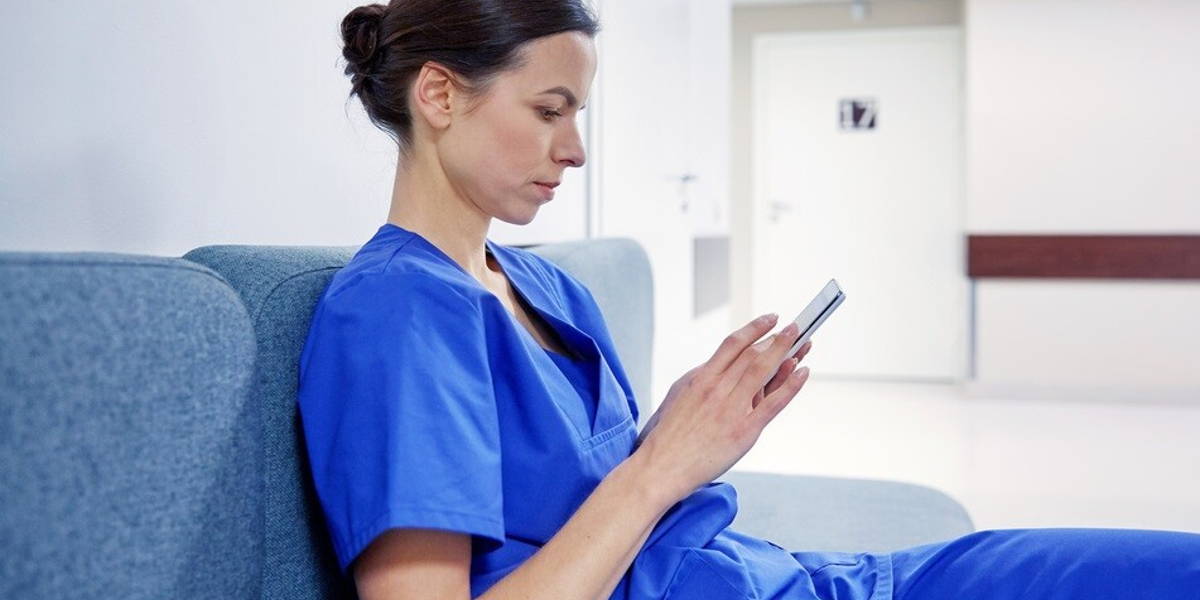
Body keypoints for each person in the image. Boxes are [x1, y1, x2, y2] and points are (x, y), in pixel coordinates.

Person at [295, 1, 1200, 598]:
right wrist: (662, 465)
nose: (576, 149)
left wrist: (696, 425)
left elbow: (591, 495)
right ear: (440, 95)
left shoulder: (543, 283)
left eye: (579, 115)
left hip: (810, 578)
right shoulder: (396, 315)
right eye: (548, 110)